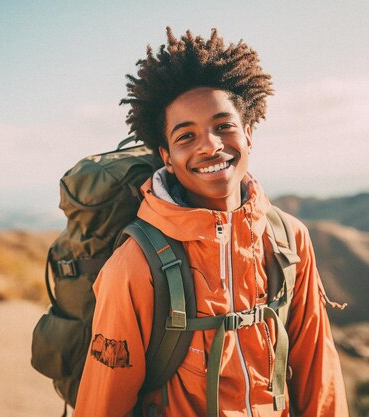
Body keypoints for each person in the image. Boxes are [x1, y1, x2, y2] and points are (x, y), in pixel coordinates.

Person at [74, 27, 349, 417]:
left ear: (248, 133)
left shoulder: (288, 239)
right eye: (186, 136)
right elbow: (103, 403)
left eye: (224, 126)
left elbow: (319, 374)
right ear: (166, 156)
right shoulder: (137, 265)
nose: (210, 145)